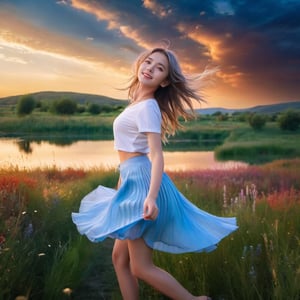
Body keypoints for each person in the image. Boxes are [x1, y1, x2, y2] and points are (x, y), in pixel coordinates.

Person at [72, 46, 238, 300]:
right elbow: (127, 155)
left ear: (165, 81)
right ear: (139, 64)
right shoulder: (136, 104)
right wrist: (119, 191)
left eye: (159, 68)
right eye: (148, 62)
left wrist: (150, 197)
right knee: (119, 258)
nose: (150, 68)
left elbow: (156, 155)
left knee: (141, 267)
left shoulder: (148, 107)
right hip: (130, 179)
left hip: (142, 184)